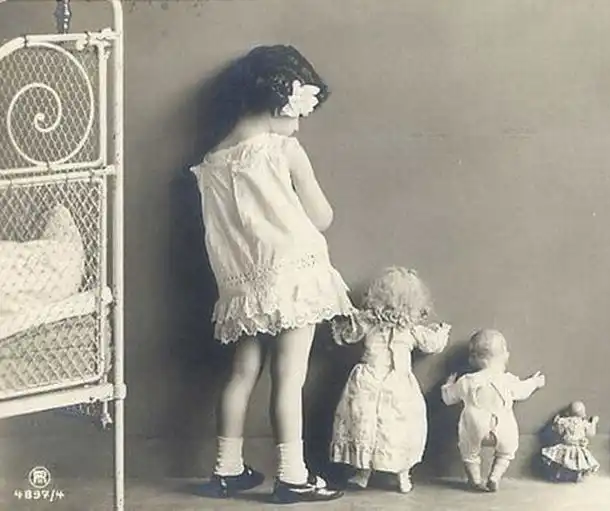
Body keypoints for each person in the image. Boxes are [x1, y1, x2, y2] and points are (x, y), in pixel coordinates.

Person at [190, 44, 355, 503]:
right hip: (293, 276)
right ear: (280, 103)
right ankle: (292, 474)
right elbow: (322, 217)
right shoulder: (284, 150)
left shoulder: (211, 163)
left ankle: (226, 469)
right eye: (298, 113)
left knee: (242, 373)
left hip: (243, 283)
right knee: (289, 377)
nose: (299, 125)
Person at [329, 267, 451, 493]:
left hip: (379, 381)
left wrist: (349, 322)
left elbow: (347, 335)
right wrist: (440, 332)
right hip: (386, 382)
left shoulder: (393, 327)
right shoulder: (389, 326)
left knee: (374, 425)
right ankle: (378, 473)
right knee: (382, 425)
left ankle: (383, 473)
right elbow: (432, 344)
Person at [441, 329, 546, 492]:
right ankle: (494, 477)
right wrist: (535, 382)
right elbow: (523, 391)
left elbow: (448, 398)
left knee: (469, 452)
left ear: (472, 359)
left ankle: (475, 480)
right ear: (504, 356)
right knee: (506, 452)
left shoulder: (466, 381)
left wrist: (448, 385)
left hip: (475, 426)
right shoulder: (508, 380)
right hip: (503, 427)